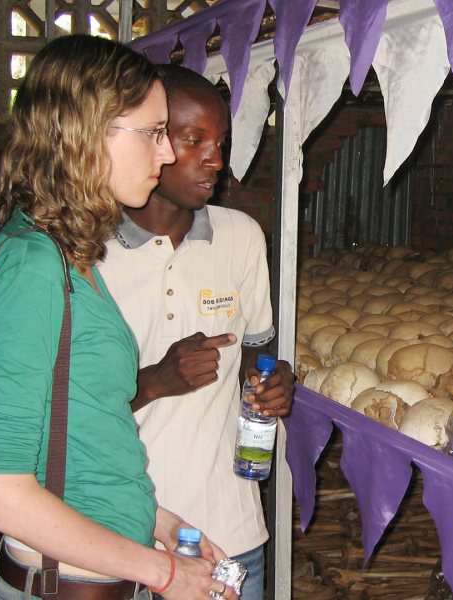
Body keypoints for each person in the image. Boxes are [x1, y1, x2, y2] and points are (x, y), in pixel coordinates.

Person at [0, 35, 238, 600]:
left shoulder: (66, 252)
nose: (165, 155)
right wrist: (162, 573)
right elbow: (2, 493)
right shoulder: (33, 264)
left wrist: (158, 521)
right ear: (89, 132)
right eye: (153, 132)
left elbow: (83, 428)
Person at [98, 64, 295, 600]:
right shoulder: (88, 250)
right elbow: (62, 411)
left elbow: (260, 353)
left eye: (221, 141)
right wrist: (155, 381)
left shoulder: (241, 237)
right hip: (121, 531)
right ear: (154, 143)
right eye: (195, 140)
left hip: (228, 528)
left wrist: (276, 382)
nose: (217, 159)